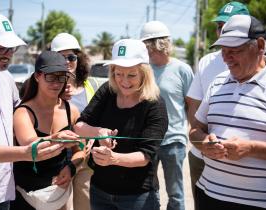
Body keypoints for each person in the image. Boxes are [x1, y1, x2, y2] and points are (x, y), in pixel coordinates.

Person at [0, 12, 75, 209]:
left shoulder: (5, 77)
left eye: (12, 48)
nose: (8, 54)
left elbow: (19, 111)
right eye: (1, 48)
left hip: (5, 188)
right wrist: (26, 152)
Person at [190, 14, 266, 210]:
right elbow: (195, 130)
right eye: (223, 50)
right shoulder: (218, 82)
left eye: (234, 50)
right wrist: (204, 143)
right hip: (209, 196)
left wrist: (251, 148)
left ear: (259, 45)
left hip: (262, 204)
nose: (226, 58)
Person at [74, 38, 168, 210]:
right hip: (100, 191)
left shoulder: (155, 105)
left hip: (138, 196)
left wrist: (113, 159)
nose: (124, 81)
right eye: (118, 74)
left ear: (144, 73)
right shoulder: (107, 91)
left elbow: (145, 156)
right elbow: (79, 126)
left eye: (131, 75)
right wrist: (99, 132)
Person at [185, 2, 249, 209]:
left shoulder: (257, 63)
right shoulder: (207, 61)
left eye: (227, 25)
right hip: (201, 155)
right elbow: (193, 103)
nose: (221, 30)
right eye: (219, 26)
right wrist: (200, 140)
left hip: (240, 161)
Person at [10, 51, 83, 210]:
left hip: (58, 196)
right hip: (26, 196)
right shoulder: (23, 112)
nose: (56, 83)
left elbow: (81, 150)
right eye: (50, 76)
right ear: (37, 76)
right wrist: (57, 138)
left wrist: (71, 167)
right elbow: (30, 145)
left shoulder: (72, 110)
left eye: (61, 77)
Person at [140, 21, 194, 210]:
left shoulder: (183, 70)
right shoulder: (143, 70)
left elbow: (191, 104)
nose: (147, 51)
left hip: (174, 141)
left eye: (148, 47)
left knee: (176, 194)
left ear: (158, 45)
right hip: (148, 140)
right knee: (148, 191)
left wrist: (192, 132)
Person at [51, 32, 99, 210]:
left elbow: (97, 121)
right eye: (60, 57)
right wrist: (56, 96)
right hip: (57, 158)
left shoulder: (91, 85)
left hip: (85, 159)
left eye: (71, 56)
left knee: (85, 205)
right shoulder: (46, 85)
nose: (67, 61)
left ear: (78, 58)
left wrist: (93, 137)